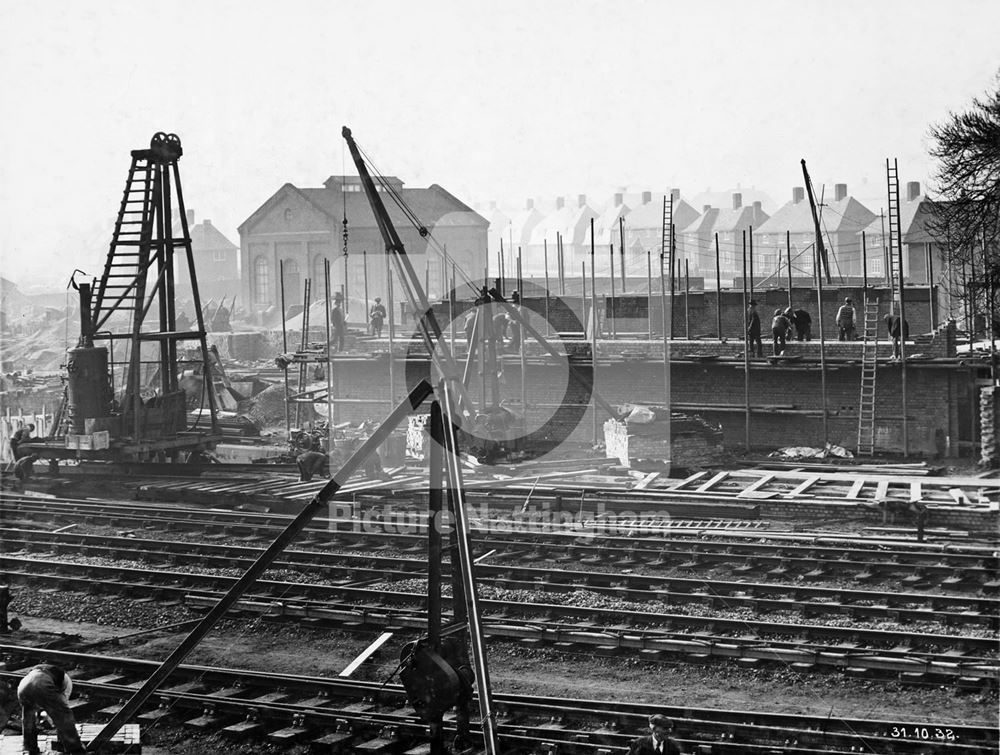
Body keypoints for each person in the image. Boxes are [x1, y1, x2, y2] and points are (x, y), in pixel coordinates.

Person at [17, 663, 86, 754]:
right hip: (40, 682)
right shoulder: (67, 683)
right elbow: (61, 709)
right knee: (64, 715)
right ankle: (76, 749)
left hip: (23, 686)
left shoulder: (51, 674)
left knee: (28, 718)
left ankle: (30, 748)